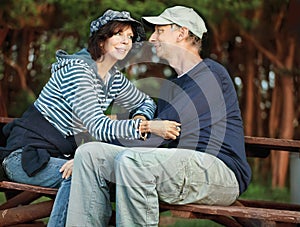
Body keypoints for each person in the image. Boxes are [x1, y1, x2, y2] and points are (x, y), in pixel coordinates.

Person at [66, 6, 252, 226]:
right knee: (89, 154)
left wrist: (141, 127)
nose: (152, 38)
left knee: (132, 161)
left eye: (160, 31)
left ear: (181, 33)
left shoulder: (210, 75)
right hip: (176, 169)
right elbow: (149, 128)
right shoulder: (171, 88)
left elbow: (157, 134)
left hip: (220, 172)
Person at [0, 9, 181, 227]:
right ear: (102, 38)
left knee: (92, 176)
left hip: (62, 157)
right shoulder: (78, 71)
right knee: (81, 179)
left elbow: (146, 102)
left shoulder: (112, 78)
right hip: (25, 157)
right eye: (119, 34)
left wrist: (140, 115)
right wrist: (147, 126)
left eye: (130, 37)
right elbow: (97, 125)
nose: (126, 41)